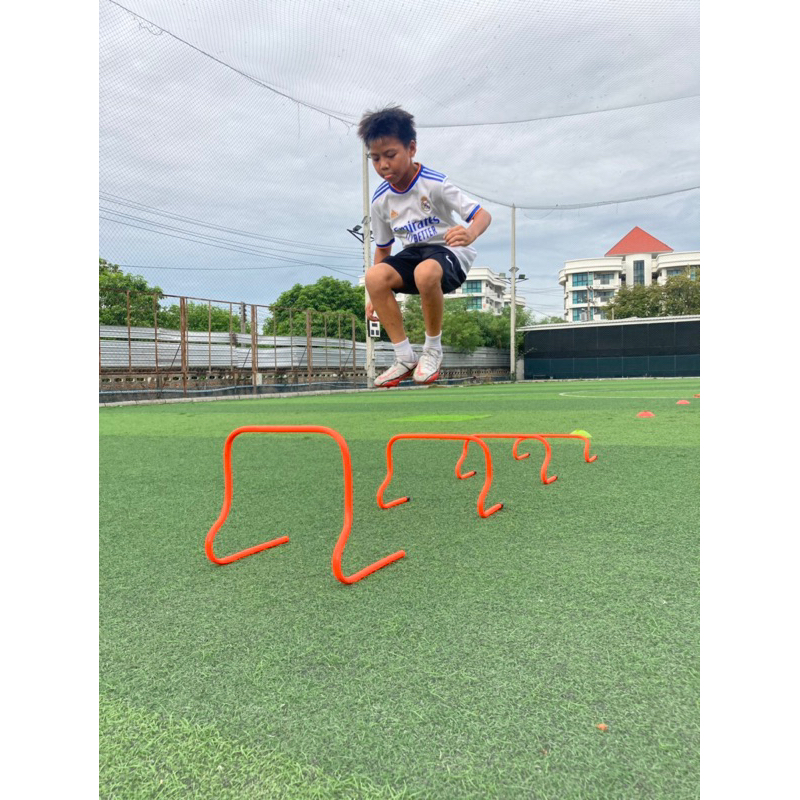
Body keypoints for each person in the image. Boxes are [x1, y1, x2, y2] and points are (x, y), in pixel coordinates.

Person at [357, 106, 492, 387]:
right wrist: (375, 294)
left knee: (425, 271)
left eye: (390, 155)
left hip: (448, 251)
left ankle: (432, 351)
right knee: (374, 276)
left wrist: (470, 233)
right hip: (414, 254)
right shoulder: (380, 200)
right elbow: (383, 248)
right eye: (375, 158)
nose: (383, 165)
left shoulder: (435, 184)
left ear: (411, 149)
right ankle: (404, 357)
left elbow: (482, 215)